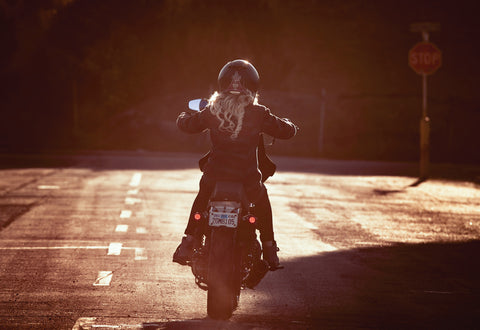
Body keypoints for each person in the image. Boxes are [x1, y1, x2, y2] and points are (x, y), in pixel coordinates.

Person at [172, 59, 297, 270]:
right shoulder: (259, 113)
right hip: (247, 177)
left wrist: (182, 116)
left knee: (202, 201)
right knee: (263, 205)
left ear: (223, 84)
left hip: (214, 175)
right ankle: (269, 249)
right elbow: (286, 131)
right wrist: (290, 124)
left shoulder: (212, 110)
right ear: (252, 85)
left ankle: (188, 242)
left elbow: (188, 125)